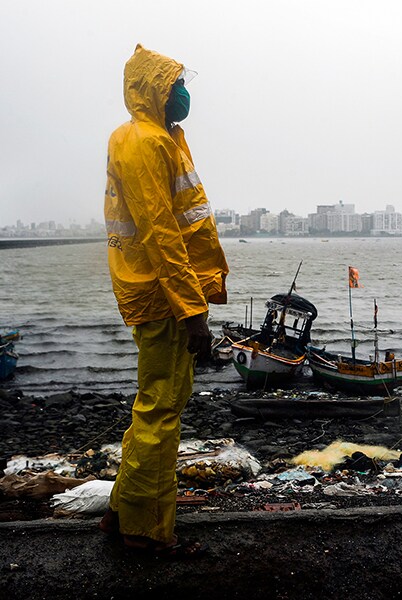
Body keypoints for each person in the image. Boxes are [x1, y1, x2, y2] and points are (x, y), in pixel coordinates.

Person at [99, 44, 229, 558]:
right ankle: (147, 532)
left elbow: (181, 221)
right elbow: (160, 233)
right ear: (155, 89)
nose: (184, 93)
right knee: (161, 411)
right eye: (177, 84)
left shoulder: (161, 138)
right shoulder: (144, 143)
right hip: (162, 297)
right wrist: (192, 311)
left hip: (161, 293)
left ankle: (122, 510)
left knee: (155, 404)